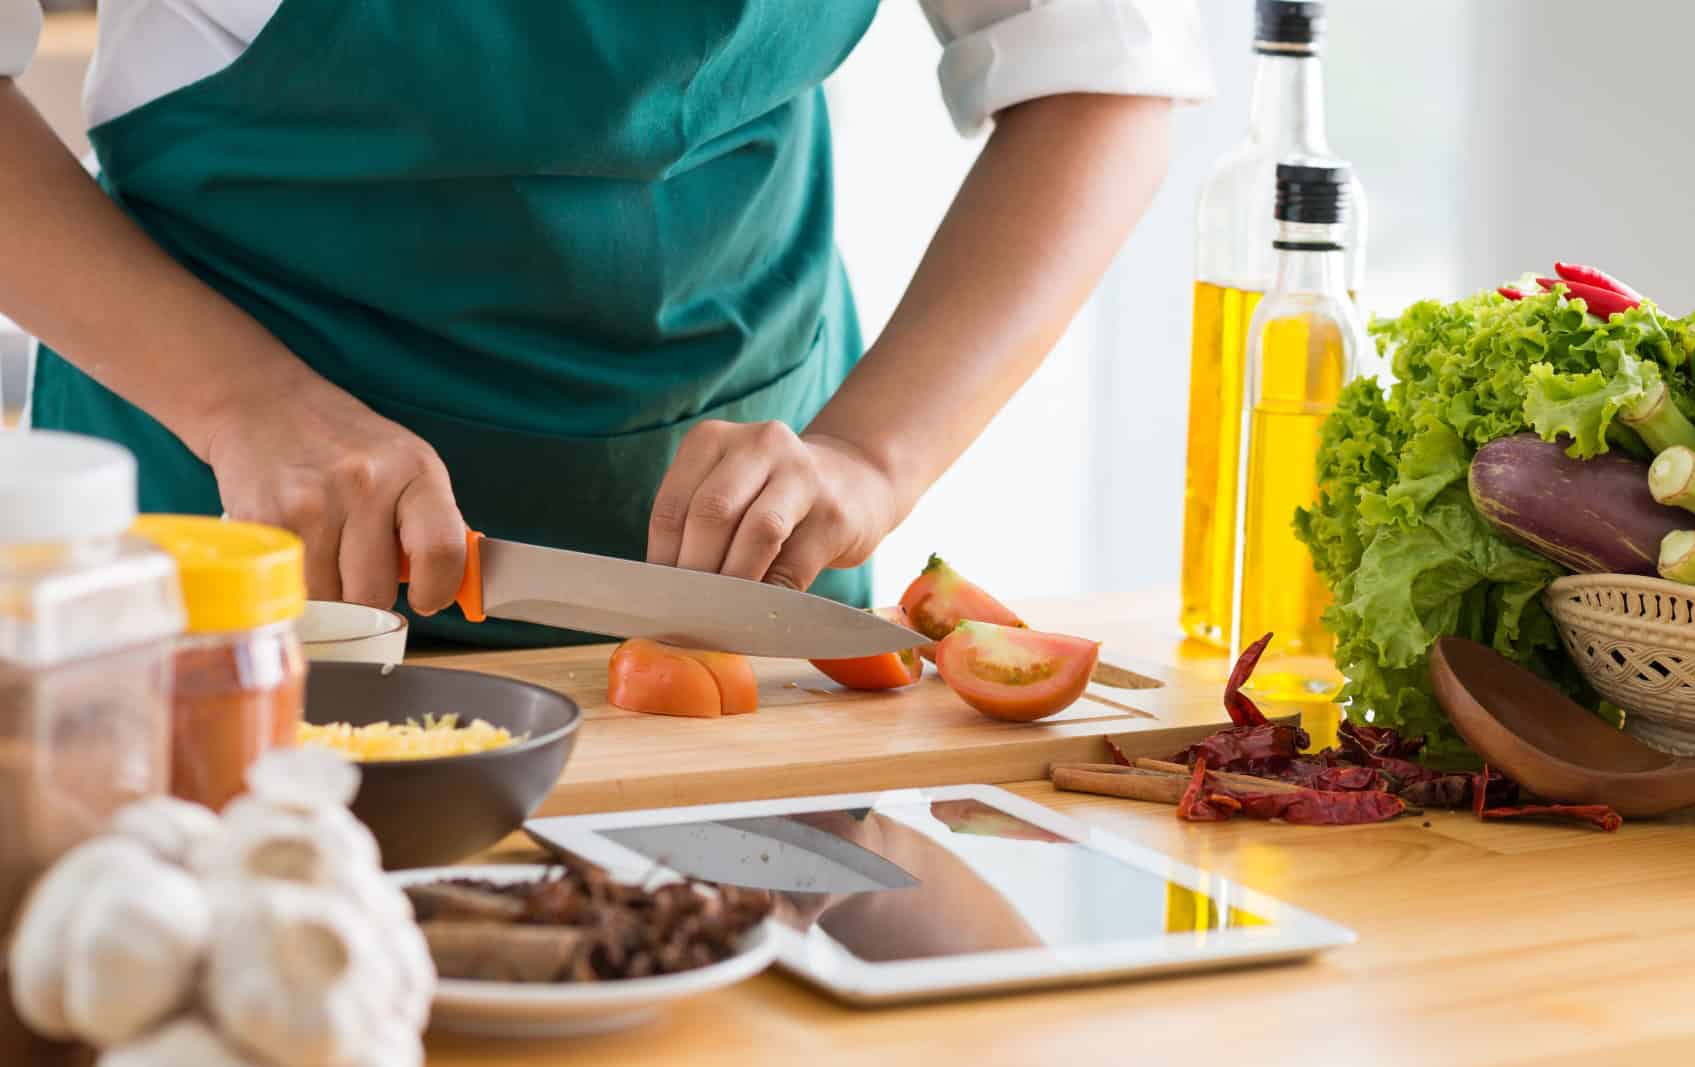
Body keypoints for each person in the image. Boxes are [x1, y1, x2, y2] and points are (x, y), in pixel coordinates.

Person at [0, 0, 1212, 645]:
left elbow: (1097, 75)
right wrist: (245, 405)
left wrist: (871, 454)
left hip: (734, 582)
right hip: (238, 527)